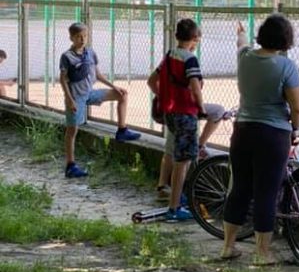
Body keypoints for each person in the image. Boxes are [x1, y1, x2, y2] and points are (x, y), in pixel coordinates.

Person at [221, 14, 299, 264]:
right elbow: (298, 108)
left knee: (240, 188)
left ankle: (227, 246)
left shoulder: (245, 58)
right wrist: (296, 129)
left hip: (243, 128)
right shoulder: (286, 67)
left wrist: (241, 33)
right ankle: (261, 252)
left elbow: (241, 45)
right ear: (286, 39)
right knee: (266, 192)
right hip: (273, 133)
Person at [59, 22, 141, 179]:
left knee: (122, 95)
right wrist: (70, 100)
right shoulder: (67, 56)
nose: (82, 39)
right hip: (76, 98)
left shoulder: (90, 52)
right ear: (71, 38)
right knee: (72, 131)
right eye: (78, 37)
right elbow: (63, 80)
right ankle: (70, 165)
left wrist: (113, 86)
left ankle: (122, 130)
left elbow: (97, 74)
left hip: (90, 93)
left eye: (85, 36)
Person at [147, 18, 205, 221]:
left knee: (176, 155)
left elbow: (151, 81)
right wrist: (201, 108)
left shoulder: (170, 55)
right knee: (183, 161)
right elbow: (196, 88)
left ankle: (175, 197)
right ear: (195, 38)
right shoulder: (189, 59)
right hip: (186, 113)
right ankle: (175, 207)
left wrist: (162, 96)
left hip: (170, 112)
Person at [153, 102, 234, 203]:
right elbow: (194, 91)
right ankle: (175, 202)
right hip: (183, 108)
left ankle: (164, 188)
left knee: (171, 147)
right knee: (183, 158)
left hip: (171, 106)